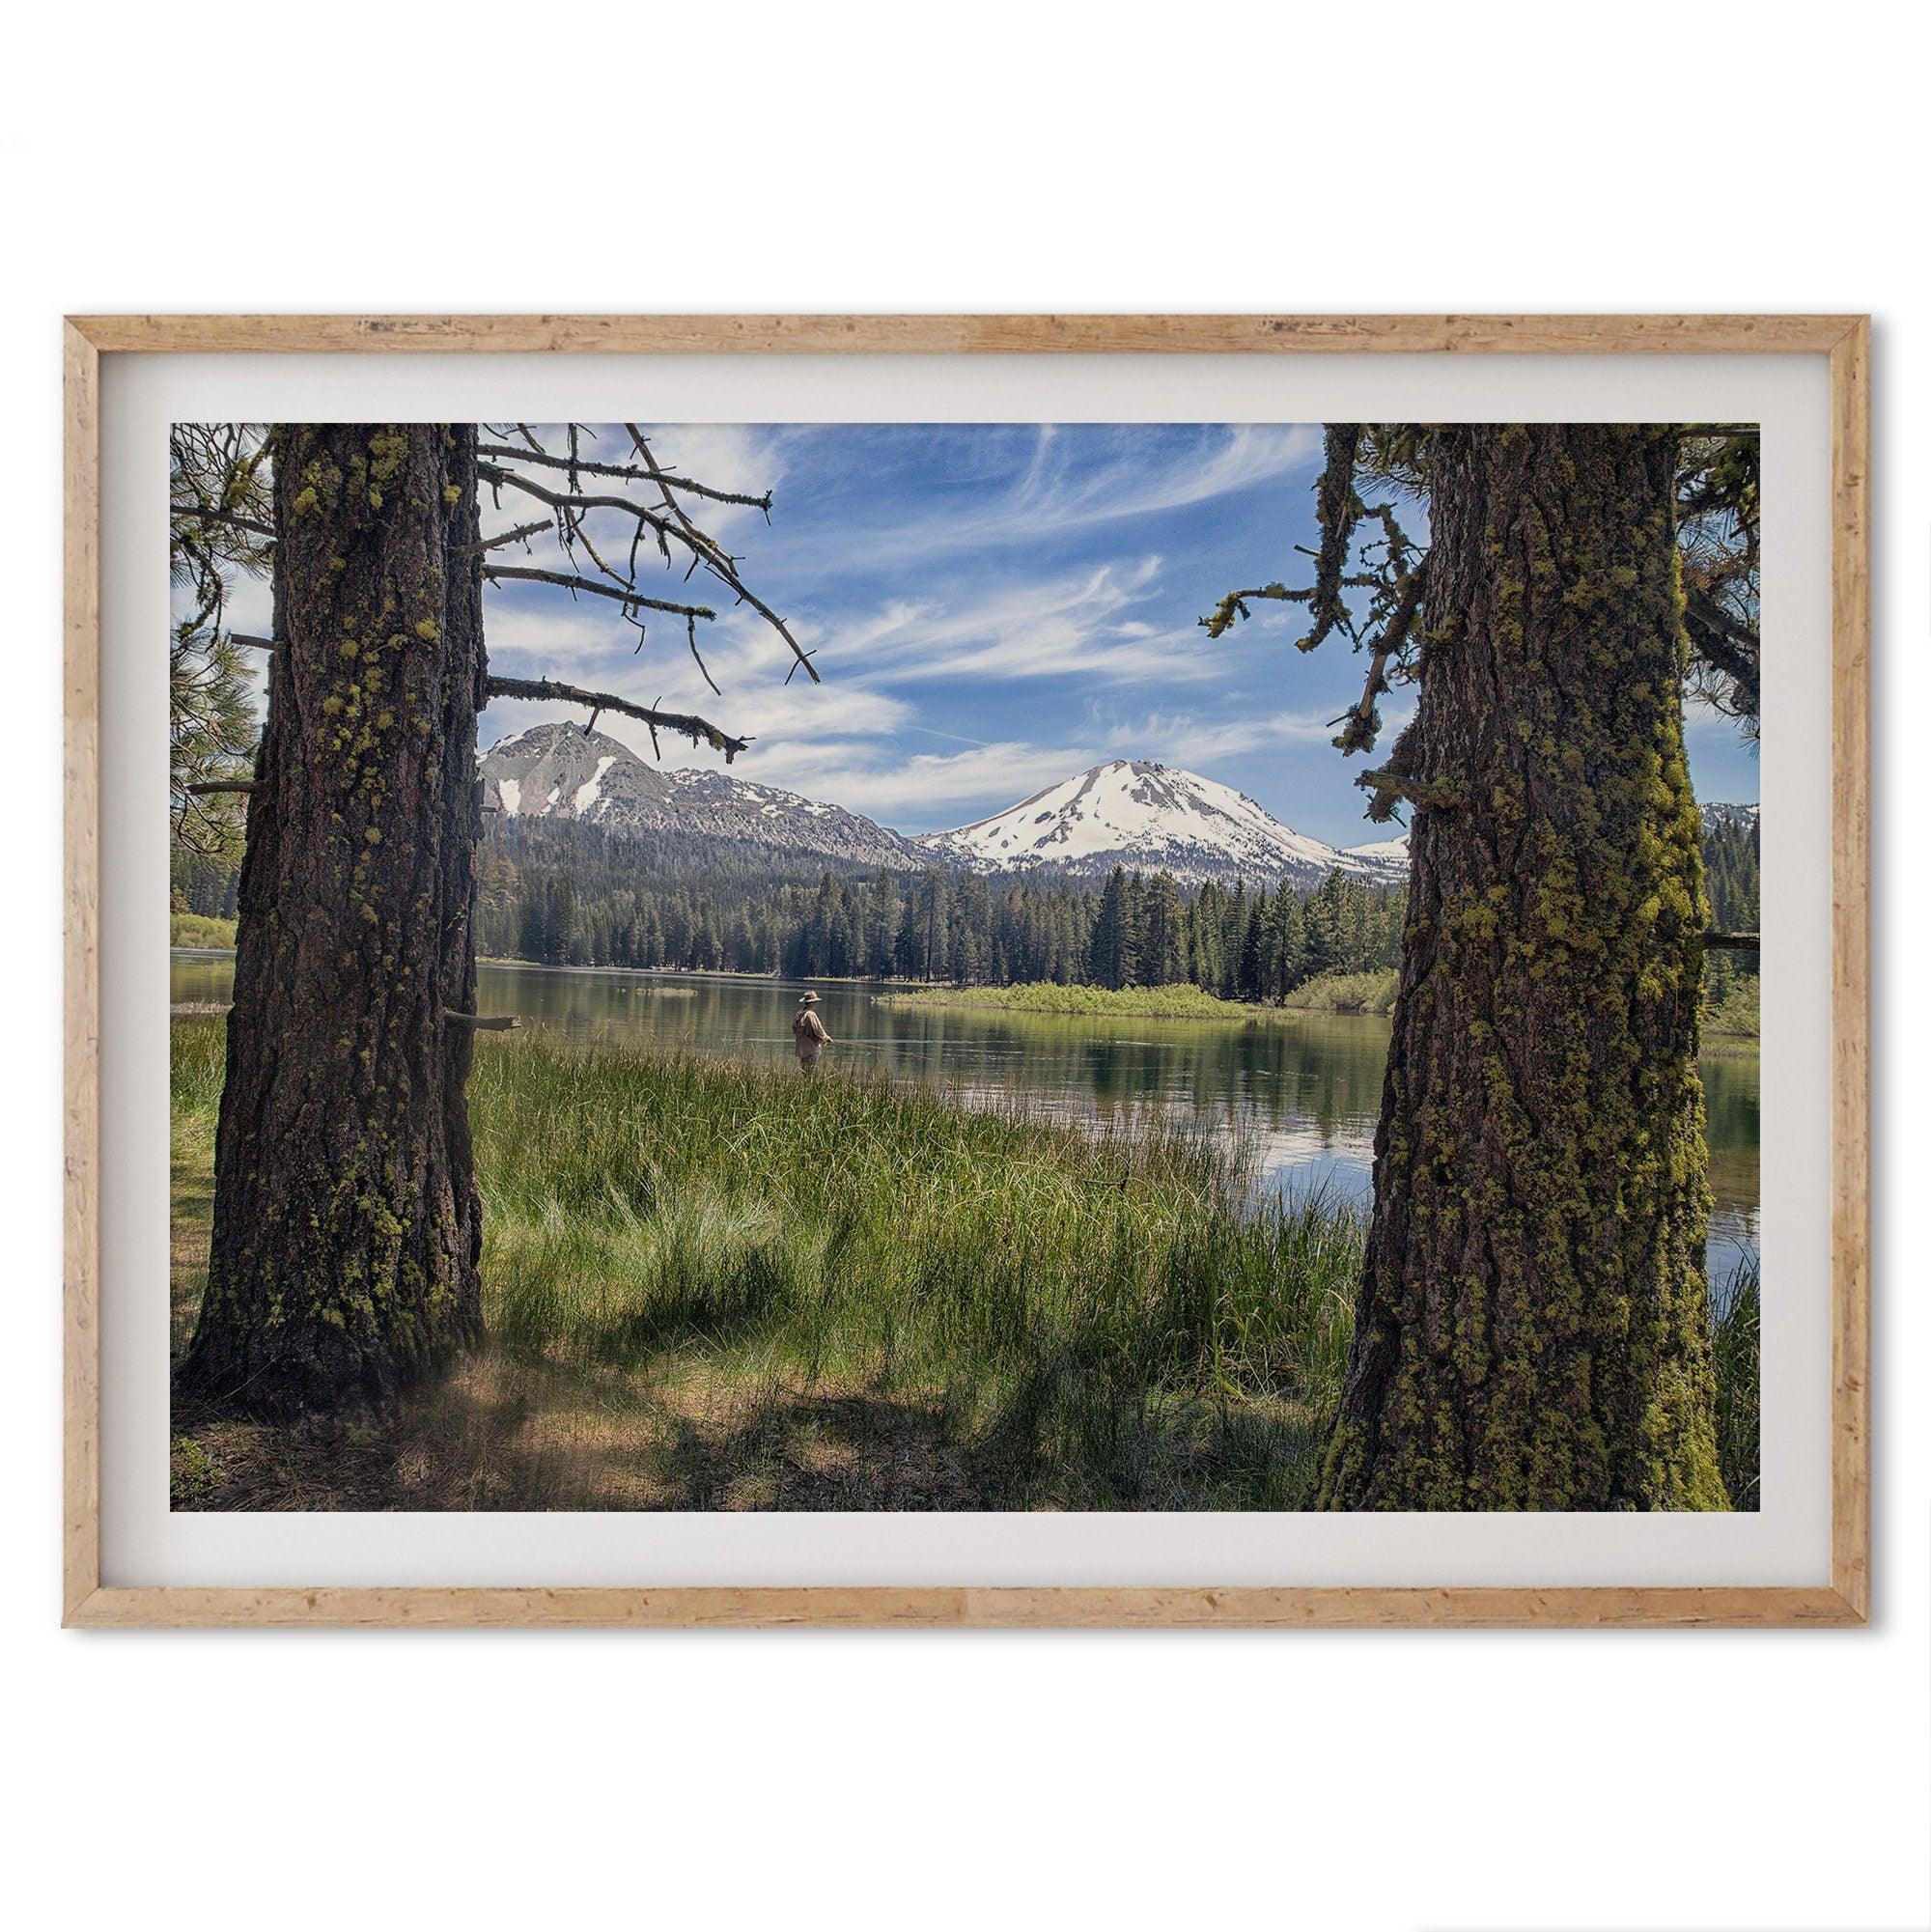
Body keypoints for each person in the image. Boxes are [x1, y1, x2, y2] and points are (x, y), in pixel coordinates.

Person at [792, 990, 832, 1074]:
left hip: (801, 1047)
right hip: (811, 1048)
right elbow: (818, 1030)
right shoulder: (811, 1014)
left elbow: (794, 1029)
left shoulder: (799, 1013)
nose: (816, 1004)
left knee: (805, 1072)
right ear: (812, 1003)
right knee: (809, 1073)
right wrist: (826, 1038)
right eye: (815, 1002)